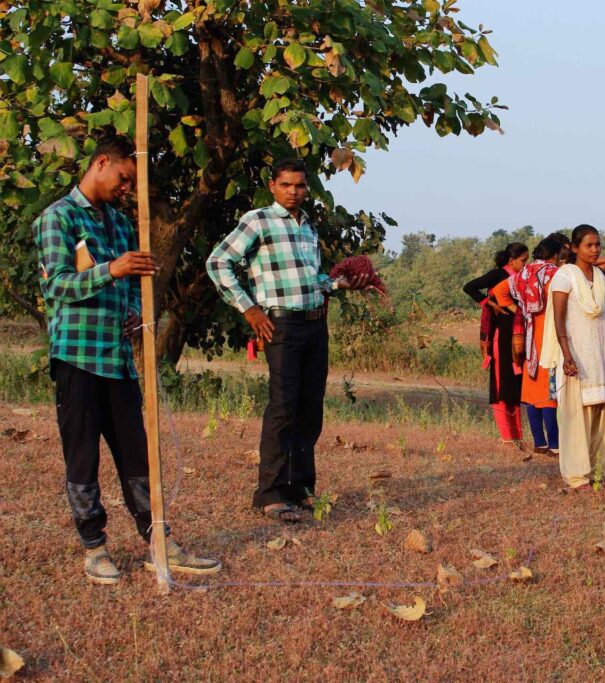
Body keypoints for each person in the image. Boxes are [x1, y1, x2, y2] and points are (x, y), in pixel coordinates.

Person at [33, 135, 221, 583]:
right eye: (123, 178)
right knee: (82, 458)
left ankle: (159, 541)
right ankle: (94, 548)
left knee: (138, 455)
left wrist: (133, 312)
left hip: (117, 361)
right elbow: (56, 286)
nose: (126, 189)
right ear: (101, 162)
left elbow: (127, 287)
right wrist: (113, 269)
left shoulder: (119, 223)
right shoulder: (58, 217)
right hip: (77, 358)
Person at [206, 159, 371, 523]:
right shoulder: (258, 220)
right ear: (273, 186)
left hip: (315, 322)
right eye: (286, 185)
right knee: (283, 406)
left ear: (307, 188)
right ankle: (270, 493)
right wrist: (249, 309)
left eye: (299, 185)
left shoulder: (307, 227)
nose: (293, 192)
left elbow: (312, 279)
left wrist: (338, 284)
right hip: (280, 325)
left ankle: (301, 488)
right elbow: (218, 263)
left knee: (310, 407)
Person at [541, 225, 605, 490]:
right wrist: (566, 354)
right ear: (574, 248)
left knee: (603, 415)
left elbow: (604, 320)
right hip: (577, 356)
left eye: (598, 244)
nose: (595, 250)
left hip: (601, 356)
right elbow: (558, 320)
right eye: (589, 245)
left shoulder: (600, 277)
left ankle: (596, 472)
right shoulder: (564, 276)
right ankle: (576, 476)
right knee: (577, 417)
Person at [462, 243, 530, 447]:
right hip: (500, 337)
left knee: (514, 386)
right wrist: (489, 303)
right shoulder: (498, 275)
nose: (525, 264)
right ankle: (506, 437)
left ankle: (517, 437)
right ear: (511, 260)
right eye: (523, 260)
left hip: (517, 338)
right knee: (501, 387)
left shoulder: (522, 279)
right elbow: (470, 287)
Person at [510, 238, 563, 457]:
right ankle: (555, 444)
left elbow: (500, 292)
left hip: (530, 337)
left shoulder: (523, 273)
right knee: (549, 393)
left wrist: (520, 312)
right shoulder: (555, 274)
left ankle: (539, 442)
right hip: (550, 335)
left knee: (531, 392)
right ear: (557, 254)